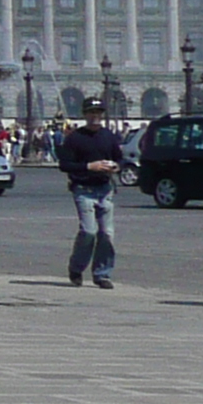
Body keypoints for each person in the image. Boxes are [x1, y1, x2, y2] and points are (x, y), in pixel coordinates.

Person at [58, 94, 127, 289]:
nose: (94, 116)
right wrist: (90, 166)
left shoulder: (109, 137)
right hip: (83, 189)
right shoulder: (75, 138)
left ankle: (102, 274)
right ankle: (76, 267)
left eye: (98, 112)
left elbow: (120, 159)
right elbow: (65, 165)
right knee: (89, 231)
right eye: (91, 113)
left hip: (105, 189)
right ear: (85, 115)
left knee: (106, 234)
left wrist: (115, 166)